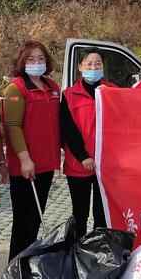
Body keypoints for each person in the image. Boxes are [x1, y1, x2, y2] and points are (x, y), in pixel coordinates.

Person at [3, 39, 62, 259]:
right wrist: (25, 159)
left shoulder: (52, 87)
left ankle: (28, 267)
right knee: (23, 222)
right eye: (31, 59)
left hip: (46, 164)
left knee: (36, 219)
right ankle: (15, 268)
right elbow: (12, 126)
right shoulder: (15, 89)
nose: (36, 62)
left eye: (40, 58)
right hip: (26, 166)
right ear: (22, 62)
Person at [61, 49, 112, 233]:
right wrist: (83, 156)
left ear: (103, 67)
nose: (93, 67)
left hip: (105, 165)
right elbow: (68, 130)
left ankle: (99, 254)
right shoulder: (69, 95)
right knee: (79, 214)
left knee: (102, 214)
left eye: (98, 64)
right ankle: (78, 252)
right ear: (80, 67)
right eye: (89, 64)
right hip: (78, 164)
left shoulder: (111, 91)